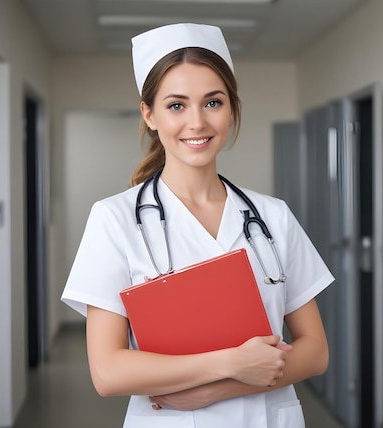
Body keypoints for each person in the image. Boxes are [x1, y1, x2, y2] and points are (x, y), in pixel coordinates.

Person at [61, 22, 335, 428]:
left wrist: (220, 388)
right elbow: (108, 372)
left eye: (213, 102)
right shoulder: (115, 220)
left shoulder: (272, 216)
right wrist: (233, 363)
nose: (197, 123)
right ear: (149, 114)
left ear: (232, 108)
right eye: (176, 105)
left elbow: (315, 352)